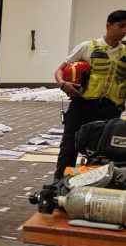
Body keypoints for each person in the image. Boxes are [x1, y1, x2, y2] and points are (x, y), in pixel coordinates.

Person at [52, 10, 126, 181]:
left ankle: (101, 183)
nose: (124, 31)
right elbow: (59, 70)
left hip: (111, 107)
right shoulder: (87, 47)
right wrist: (63, 84)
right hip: (83, 105)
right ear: (108, 25)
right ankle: (60, 184)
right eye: (121, 26)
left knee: (107, 148)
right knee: (69, 147)